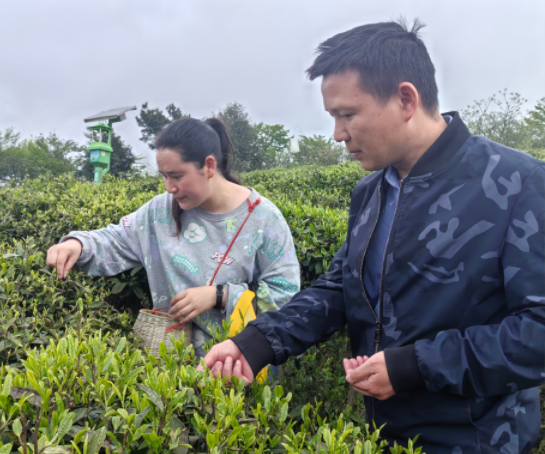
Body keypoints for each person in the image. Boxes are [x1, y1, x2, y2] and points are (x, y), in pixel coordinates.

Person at [200, 20, 545, 453]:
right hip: (381, 436)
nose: (338, 134)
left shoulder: (519, 183)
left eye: (347, 114)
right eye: (333, 117)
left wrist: (413, 366)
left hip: (480, 440)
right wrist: (256, 342)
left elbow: (538, 331)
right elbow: (340, 290)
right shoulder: (371, 192)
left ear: (405, 99)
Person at [46, 117, 301, 359]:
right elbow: (116, 239)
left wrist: (220, 295)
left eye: (177, 176)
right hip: (169, 375)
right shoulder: (160, 211)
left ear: (209, 166)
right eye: (164, 176)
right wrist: (77, 245)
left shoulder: (264, 219)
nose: (169, 187)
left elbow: (285, 299)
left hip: (236, 378)